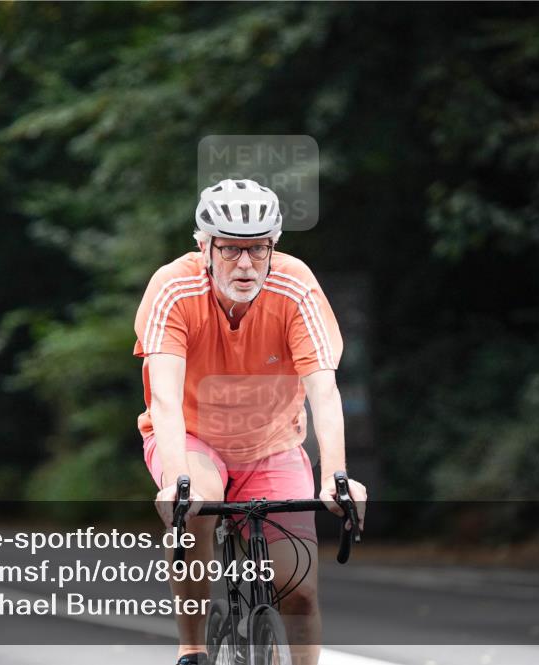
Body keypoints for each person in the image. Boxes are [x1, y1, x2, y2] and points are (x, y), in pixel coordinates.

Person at [133, 179, 367, 665]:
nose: (245, 264)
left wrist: (338, 477)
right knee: (197, 501)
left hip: (271, 444)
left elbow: (323, 389)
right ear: (205, 246)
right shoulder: (174, 288)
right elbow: (165, 398)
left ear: (273, 246)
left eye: (257, 249)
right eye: (231, 249)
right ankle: (193, 646)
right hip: (192, 438)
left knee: (299, 590)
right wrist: (176, 482)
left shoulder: (295, 285)